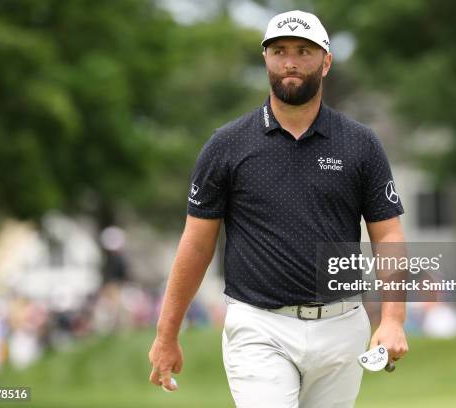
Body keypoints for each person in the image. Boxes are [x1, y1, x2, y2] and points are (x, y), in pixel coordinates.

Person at [149, 10, 408, 407]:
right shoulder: (227, 145)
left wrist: (392, 320)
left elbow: (387, 235)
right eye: (279, 51)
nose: (290, 61)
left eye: (304, 51)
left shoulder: (360, 144)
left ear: (326, 62)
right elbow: (197, 244)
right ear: (265, 59)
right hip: (258, 325)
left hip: (342, 327)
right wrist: (167, 336)